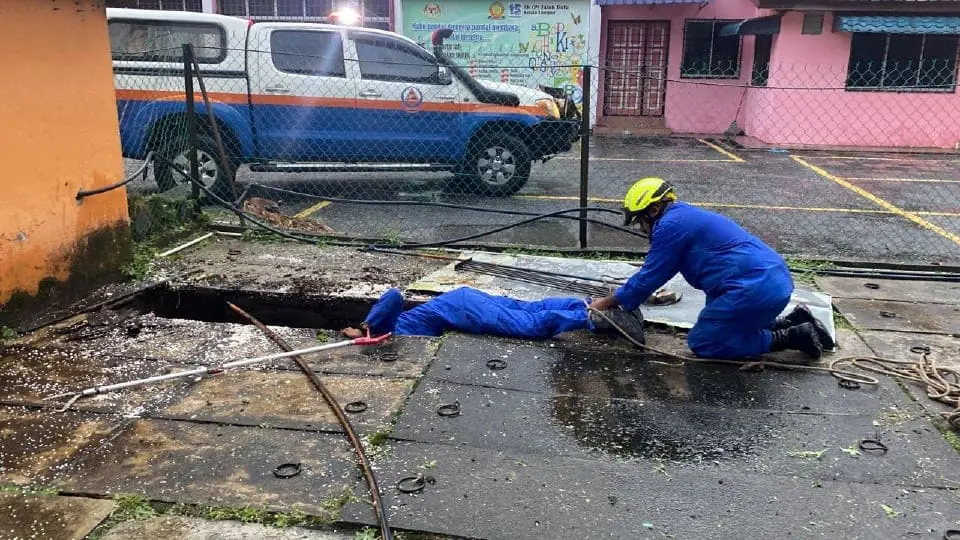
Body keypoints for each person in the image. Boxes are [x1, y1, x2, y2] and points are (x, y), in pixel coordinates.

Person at [589, 177, 834, 361]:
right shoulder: (684, 215)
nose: (642, 229)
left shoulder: (670, 226)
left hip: (754, 288)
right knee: (722, 325)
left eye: (640, 221)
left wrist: (608, 302)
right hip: (772, 281)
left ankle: (793, 336)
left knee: (704, 341)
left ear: (653, 210)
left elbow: (650, 277)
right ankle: (793, 320)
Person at [341, 287, 646, 343]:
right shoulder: (389, 333)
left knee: (530, 325)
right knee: (530, 308)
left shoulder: (380, 329)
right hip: (462, 300)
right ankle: (592, 305)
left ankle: (594, 317)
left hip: (461, 309)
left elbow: (394, 295)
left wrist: (365, 325)